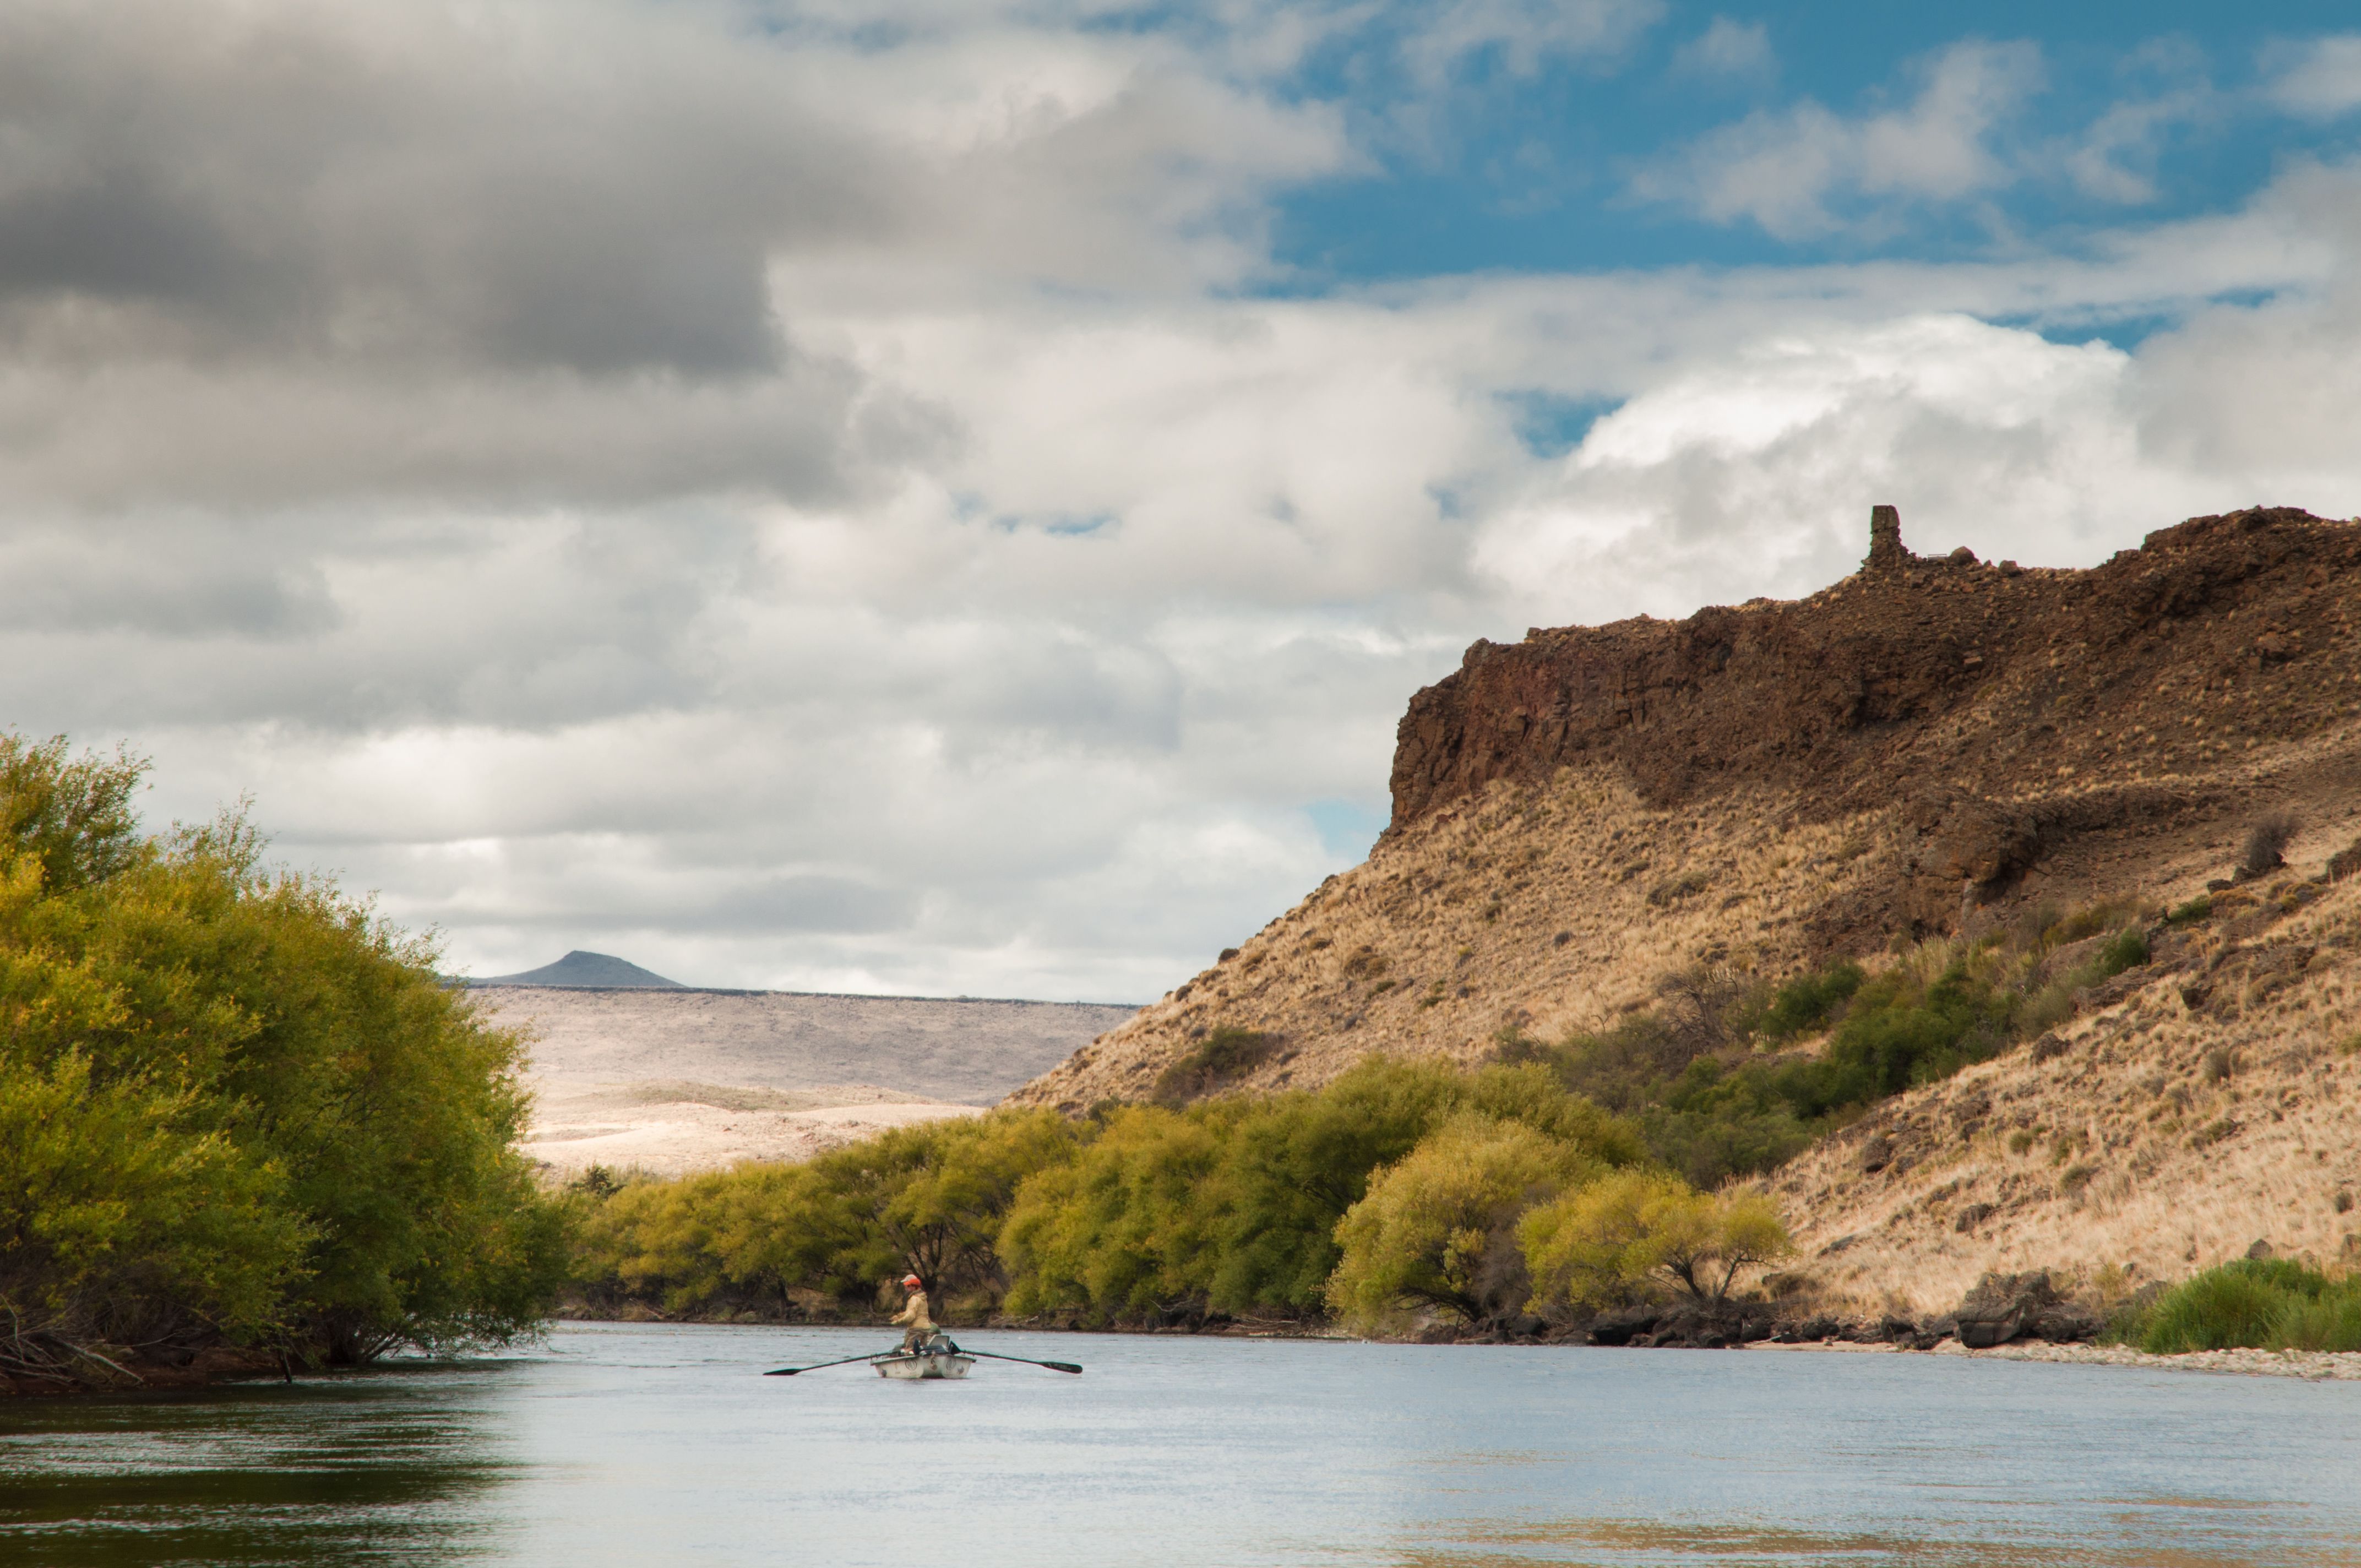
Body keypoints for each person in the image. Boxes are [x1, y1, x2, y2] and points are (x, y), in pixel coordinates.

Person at [890, 1273, 935, 1352]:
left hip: (916, 1329)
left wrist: (898, 1322)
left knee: (910, 1351)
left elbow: (911, 1316)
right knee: (923, 1351)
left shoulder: (914, 1299)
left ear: (914, 1287)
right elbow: (912, 1312)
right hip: (926, 1329)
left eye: (908, 1286)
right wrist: (899, 1316)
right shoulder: (922, 1298)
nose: (906, 1287)